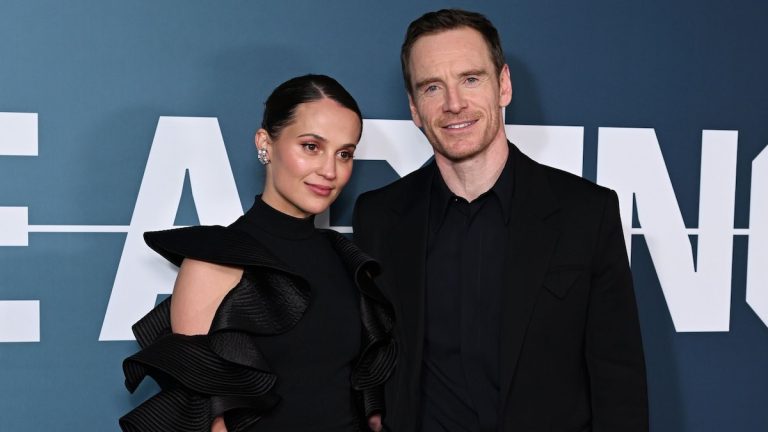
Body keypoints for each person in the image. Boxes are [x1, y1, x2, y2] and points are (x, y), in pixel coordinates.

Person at [353, 9, 648, 432]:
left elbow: (619, 383)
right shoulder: (379, 216)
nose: (454, 104)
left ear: (503, 85)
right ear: (414, 108)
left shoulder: (586, 212)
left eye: (471, 79)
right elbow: (368, 357)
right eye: (432, 87)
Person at [120, 74, 396, 432]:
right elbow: (206, 419)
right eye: (311, 146)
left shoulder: (347, 259)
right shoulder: (215, 260)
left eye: (344, 154)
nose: (330, 170)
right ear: (265, 142)